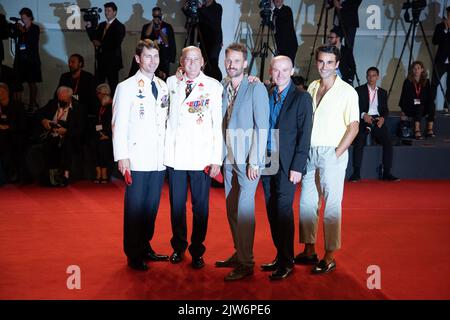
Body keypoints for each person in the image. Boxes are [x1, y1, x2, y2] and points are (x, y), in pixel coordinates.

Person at [297, 45, 359, 274]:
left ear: (337, 64)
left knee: (331, 206)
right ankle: (309, 249)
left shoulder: (347, 92)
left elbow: (354, 127)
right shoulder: (312, 86)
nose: (324, 66)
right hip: (310, 152)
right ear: (316, 63)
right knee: (306, 203)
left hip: (333, 152)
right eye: (321, 62)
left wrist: (336, 153)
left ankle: (330, 255)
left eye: (329, 62)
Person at [112, 39, 170, 271]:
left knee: (151, 207)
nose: (152, 61)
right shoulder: (125, 87)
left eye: (155, 57)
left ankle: (145, 246)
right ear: (138, 59)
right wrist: (122, 156)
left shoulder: (163, 86)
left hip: (158, 159)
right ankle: (133, 253)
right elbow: (119, 124)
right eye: (147, 57)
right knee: (135, 208)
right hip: (135, 158)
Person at [215, 43, 269, 281]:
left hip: (248, 160)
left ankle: (247, 263)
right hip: (228, 158)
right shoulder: (223, 86)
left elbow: (262, 126)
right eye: (228, 60)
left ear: (245, 63)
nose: (231, 65)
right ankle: (240, 252)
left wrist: (255, 161)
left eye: (236, 61)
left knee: (245, 210)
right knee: (231, 209)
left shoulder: (255, 88)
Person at [165, 46, 223, 269]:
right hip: (176, 155)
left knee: (200, 207)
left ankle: (197, 249)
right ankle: (178, 246)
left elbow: (217, 125)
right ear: (181, 61)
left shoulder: (213, 86)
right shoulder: (171, 83)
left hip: (202, 157)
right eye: (187, 59)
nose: (191, 63)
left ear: (202, 62)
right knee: (176, 205)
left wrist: (216, 158)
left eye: (195, 59)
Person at [259, 56, 313, 281]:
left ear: (292, 71)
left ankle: (287, 261)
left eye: (285, 70)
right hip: (267, 160)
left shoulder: (302, 97)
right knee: (272, 211)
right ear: (271, 71)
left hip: (288, 163)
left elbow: (304, 134)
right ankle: (280, 254)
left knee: (283, 211)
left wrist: (298, 166)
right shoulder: (266, 93)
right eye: (276, 70)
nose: (280, 74)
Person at [349, 67, 400, 182]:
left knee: (388, 141)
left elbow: (385, 109)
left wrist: (383, 118)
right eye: (369, 75)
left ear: (377, 77)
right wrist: (363, 115)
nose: (371, 78)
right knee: (359, 140)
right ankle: (356, 173)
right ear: (366, 77)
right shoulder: (359, 90)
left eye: (373, 75)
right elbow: (355, 107)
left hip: (377, 120)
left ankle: (387, 172)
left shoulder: (382, 92)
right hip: (363, 119)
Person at [38, 86, 84, 187]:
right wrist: (44, 121)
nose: (62, 101)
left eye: (64, 99)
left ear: (70, 98)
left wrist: (66, 131)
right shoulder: (52, 103)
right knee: (48, 145)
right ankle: (51, 177)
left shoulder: (78, 108)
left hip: (68, 136)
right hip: (52, 134)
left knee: (67, 145)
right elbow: (39, 113)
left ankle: (65, 176)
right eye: (60, 99)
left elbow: (80, 129)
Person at [87, 2, 125, 94]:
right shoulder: (101, 25)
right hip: (101, 61)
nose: (106, 12)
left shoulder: (119, 26)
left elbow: (116, 43)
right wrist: (89, 28)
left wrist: (100, 44)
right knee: (98, 85)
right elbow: (94, 38)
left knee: (113, 85)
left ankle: (113, 106)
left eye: (109, 10)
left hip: (112, 61)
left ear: (114, 12)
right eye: (105, 10)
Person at [129, 7, 176, 80]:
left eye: (158, 15)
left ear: (161, 14)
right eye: (155, 16)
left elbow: (168, 42)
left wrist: (159, 29)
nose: (156, 17)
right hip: (150, 55)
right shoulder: (147, 26)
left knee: (163, 78)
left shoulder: (167, 26)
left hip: (164, 57)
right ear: (152, 15)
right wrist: (152, 23)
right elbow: (145, 37)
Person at [182, 0, 223, 81]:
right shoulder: (202, 8)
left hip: (214, 41)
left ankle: (216, 81)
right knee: (203, 62)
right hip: (203, 39)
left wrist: (200, 8)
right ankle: (204, 81)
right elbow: (192, 15)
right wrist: (186, 8)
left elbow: (211, 18)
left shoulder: (217, 7)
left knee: (212, 62)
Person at [13, 8, 42, 110]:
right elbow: (21, 44)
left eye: (24, 17)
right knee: (19, 82)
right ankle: (19, 105)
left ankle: (32, 104)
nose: (23, 20)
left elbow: (32, 43)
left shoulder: (35, 28)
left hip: (32, 60)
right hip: (22, 60)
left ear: (30, 17)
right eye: (22, 18)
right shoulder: (22, 28)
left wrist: (23, 32)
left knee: (31, 82)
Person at [399, 61, 434, 140]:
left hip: (422, 107)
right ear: (412, 70)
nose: (416, 70)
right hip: (410, 107)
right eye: (414, 68)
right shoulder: (408, 81)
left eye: (418, 68)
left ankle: (430, 129)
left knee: (431, 104)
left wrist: (427, 103)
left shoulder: (426, 81)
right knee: (420, 105)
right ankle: (417, 130)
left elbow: (429, 96)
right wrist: (403, 111)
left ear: (422, 70)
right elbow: (404, 97)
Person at [0, 83, 25, 185]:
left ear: (7, 92)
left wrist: (8, 127)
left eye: (1, 92)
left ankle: (12, 172)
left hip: (15, 134)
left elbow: (22, 124)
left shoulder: (17, 106)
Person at [431, 6, 450, 113]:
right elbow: (435, 41)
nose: (449, 17)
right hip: (441, 60)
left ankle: (446, 107)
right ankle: (430, 106)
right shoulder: (440, 26)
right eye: (448, 14)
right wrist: (446, 30)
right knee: (434, 83)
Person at [93, 83, 113, 183]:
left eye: (99, 94)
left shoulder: (113, 106)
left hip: (110, 135)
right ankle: (98, 172)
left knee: (103, 146)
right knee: (94, 143)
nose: (98, 96)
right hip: (100, 133)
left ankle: (104, 174)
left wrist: (107, 135)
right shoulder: (99, 106)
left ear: (105, 93)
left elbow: (114, 123)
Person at [272, 0, 298, 65]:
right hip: (280, 44)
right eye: (275, 0)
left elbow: (282, 16)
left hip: (289, 44)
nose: (277, 1)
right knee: (280, 65)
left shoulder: (287, 9)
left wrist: (273, 9)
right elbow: (275, 27)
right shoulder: (275, 13)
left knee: (288, 65)